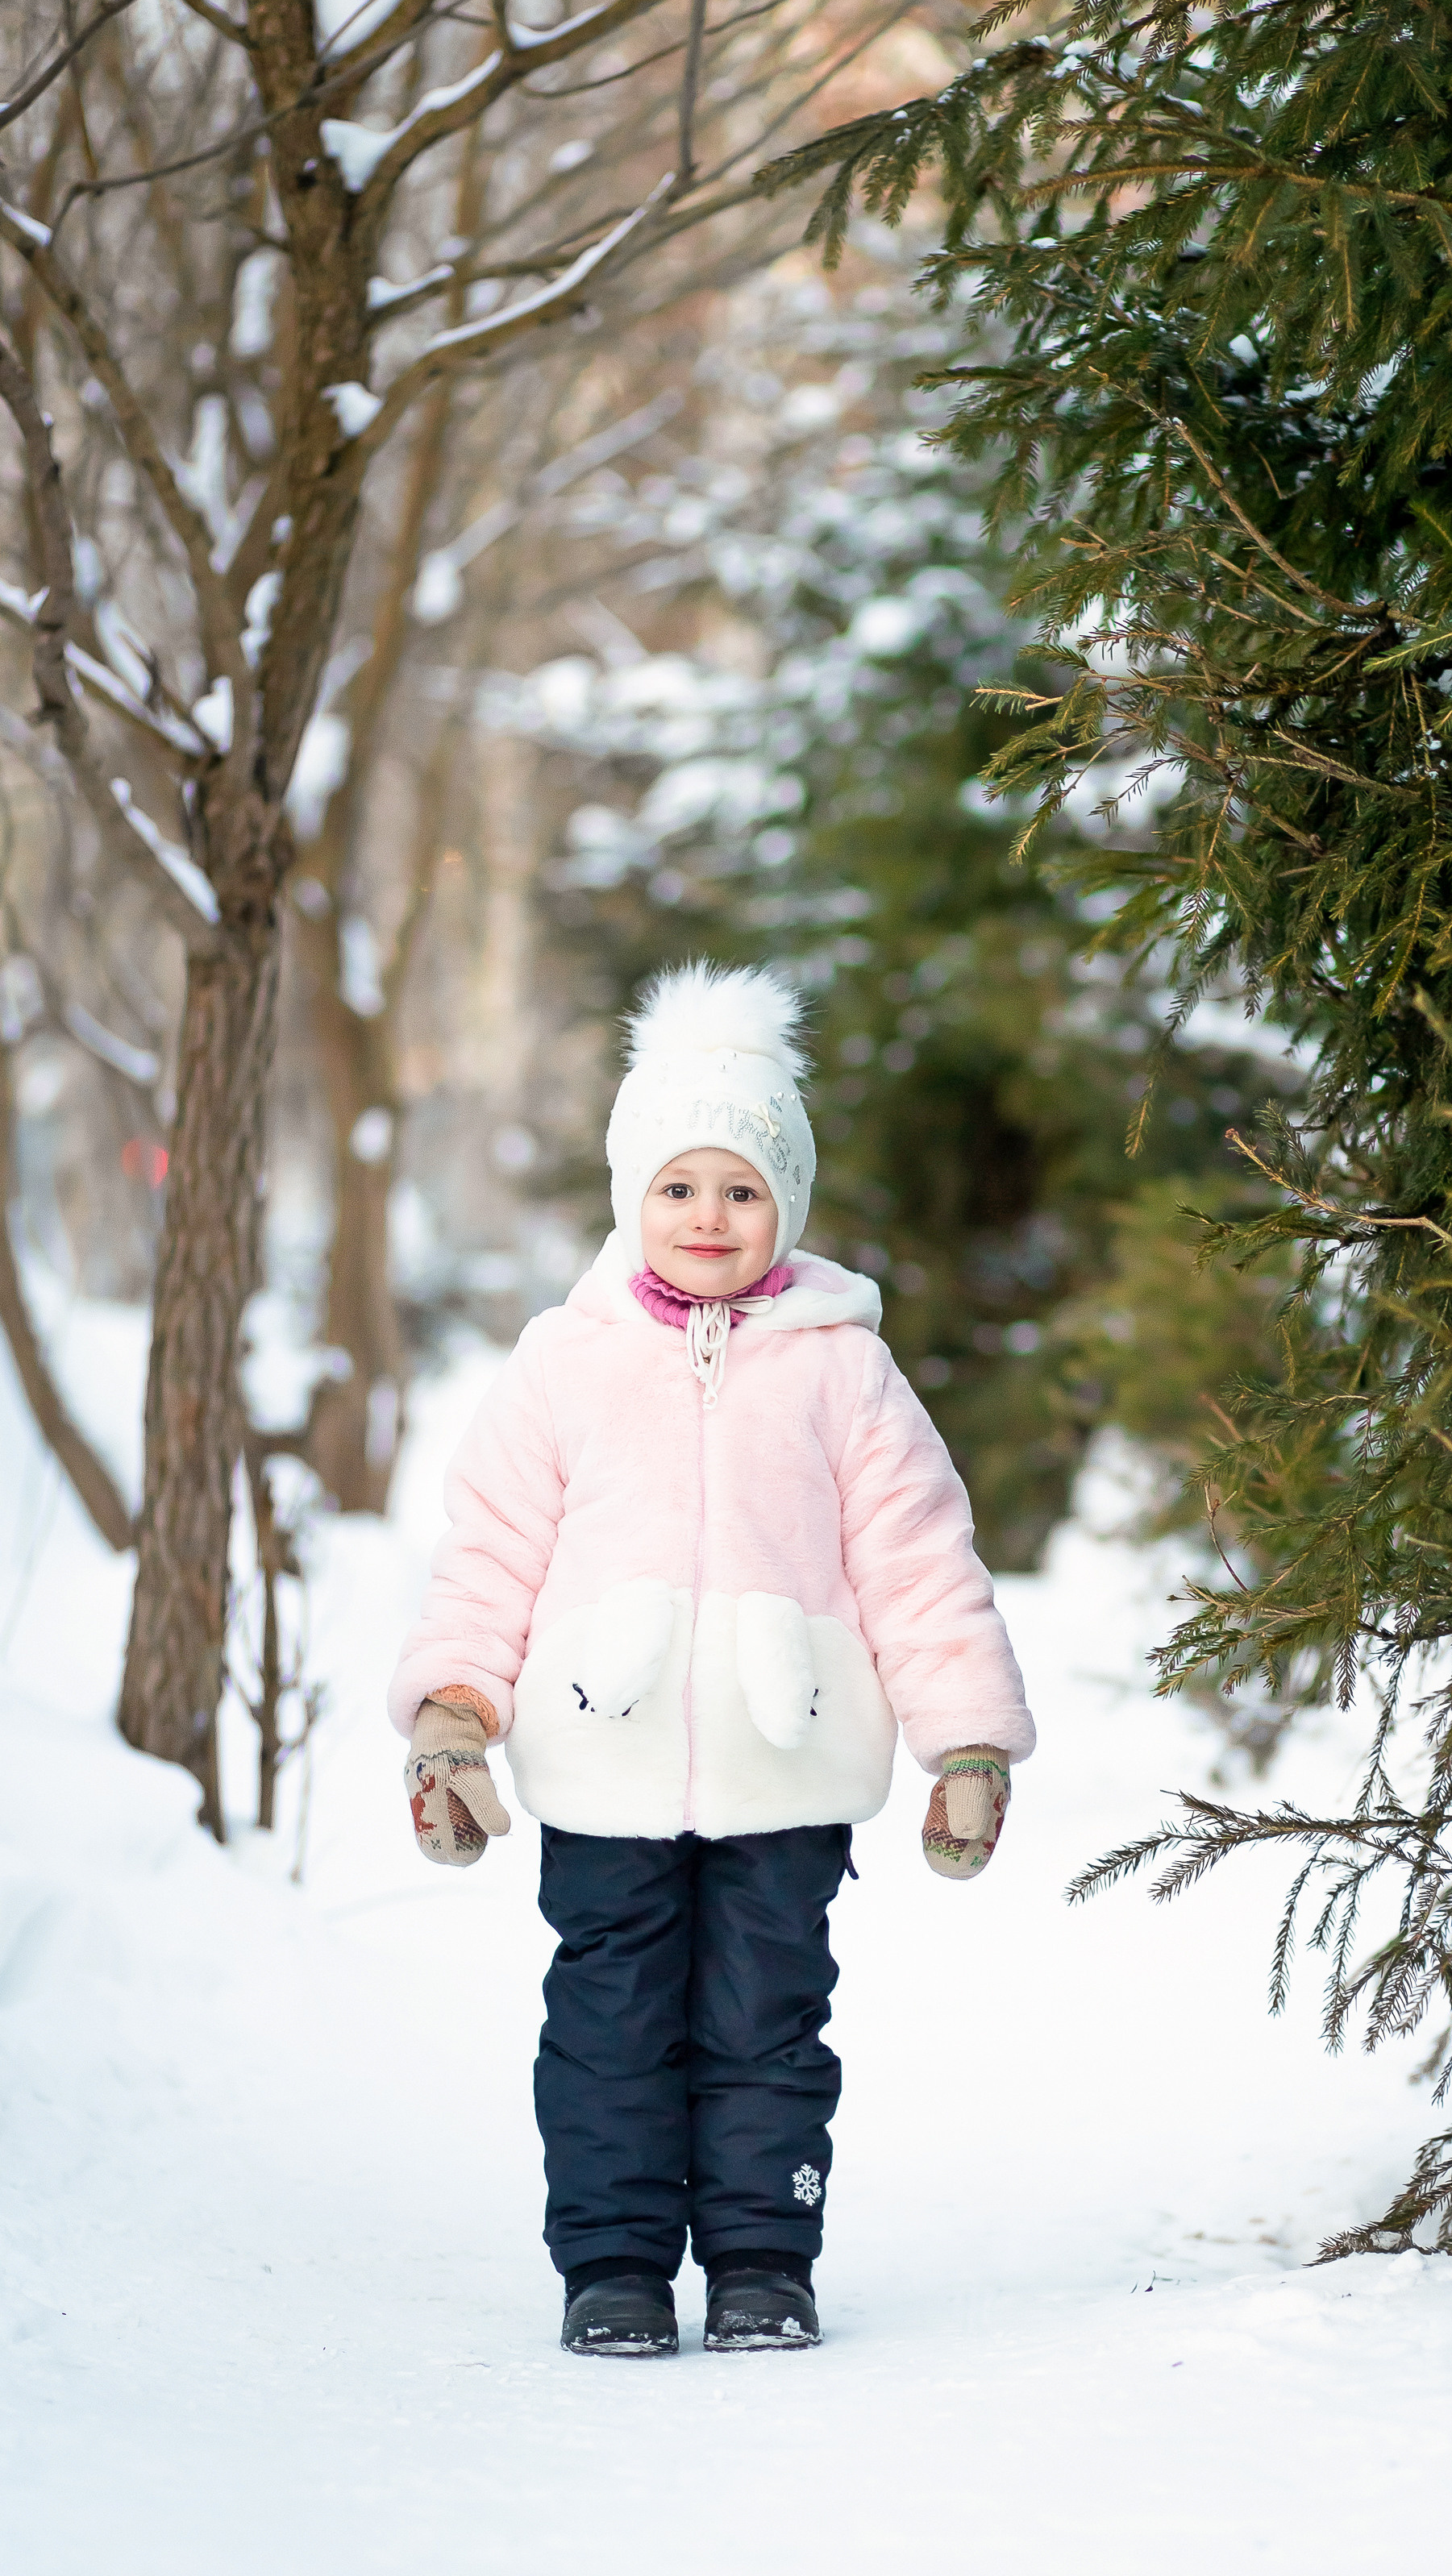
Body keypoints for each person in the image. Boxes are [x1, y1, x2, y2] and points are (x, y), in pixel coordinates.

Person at [387, 964, 1034, 2358]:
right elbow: (490, 1548)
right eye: (678, 1188)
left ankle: (761, 2261)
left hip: (786, 1756)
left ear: (785, 1205)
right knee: (611, 2018)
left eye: (741, 1189)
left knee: (767, 2020)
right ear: (632, 1200)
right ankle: (611, 2267)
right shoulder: (564, 1362)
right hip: (600, 1755)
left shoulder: (844, 1370)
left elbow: (918, 1557)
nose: (707, 1219)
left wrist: (966, 1740)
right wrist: (452, 1714)